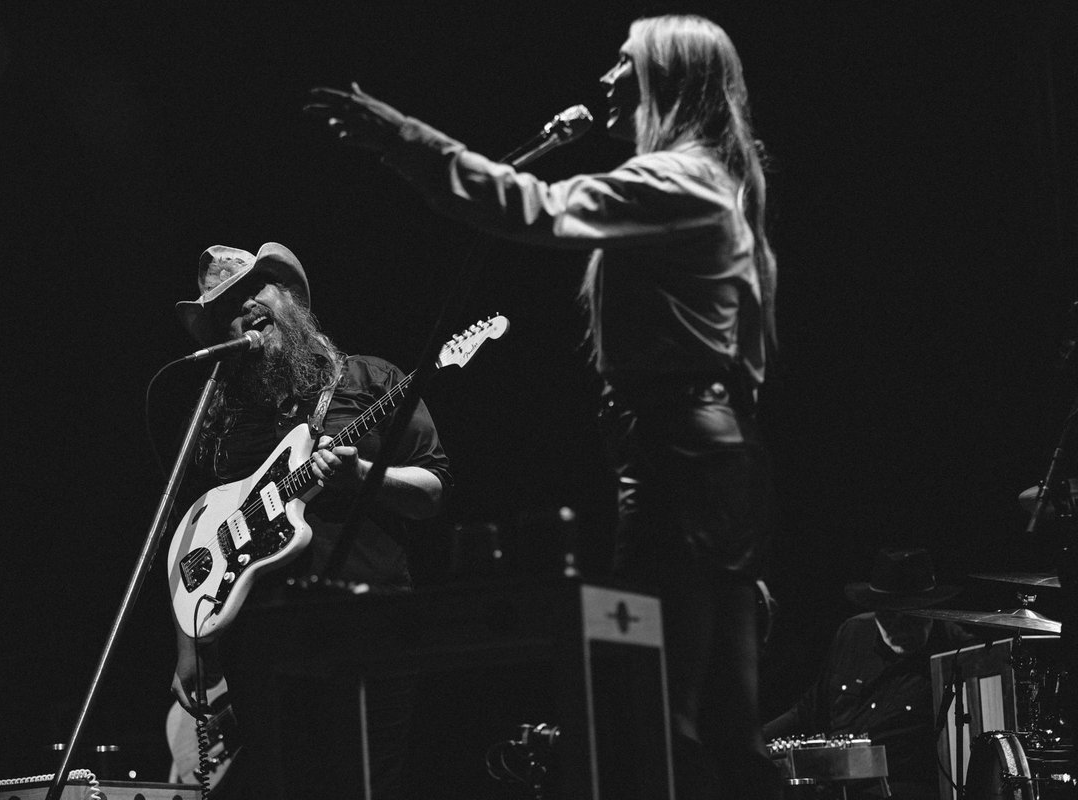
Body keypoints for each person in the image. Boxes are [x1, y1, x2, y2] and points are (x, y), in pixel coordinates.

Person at [306, 13, 779, 799]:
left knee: (665, 716)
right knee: (715, 722)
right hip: (703, 453)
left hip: (681, 453)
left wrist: (403, 138)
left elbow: (530, 205)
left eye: (623, 63)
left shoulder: (678, 181)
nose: (604, 80)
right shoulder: (702, 184)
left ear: (665, 78)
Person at [168, 242, 452, 799]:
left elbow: (433, 490)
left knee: (369, 784)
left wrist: (365, 474)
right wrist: (192, 650)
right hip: (262, 643)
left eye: (255, 290)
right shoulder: (221, 413)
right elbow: (196, 538)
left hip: (369, 620)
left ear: (290, 296)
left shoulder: (373, 380)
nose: (246, 308)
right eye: (228, 307)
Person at [763, 548, 974, 800]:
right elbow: (809, 709)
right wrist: (753, 740)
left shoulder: (957, 651)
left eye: (910, 616)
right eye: (888, 615)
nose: (899, 626)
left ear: (930, 609)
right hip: (833, 788)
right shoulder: (853, 632)